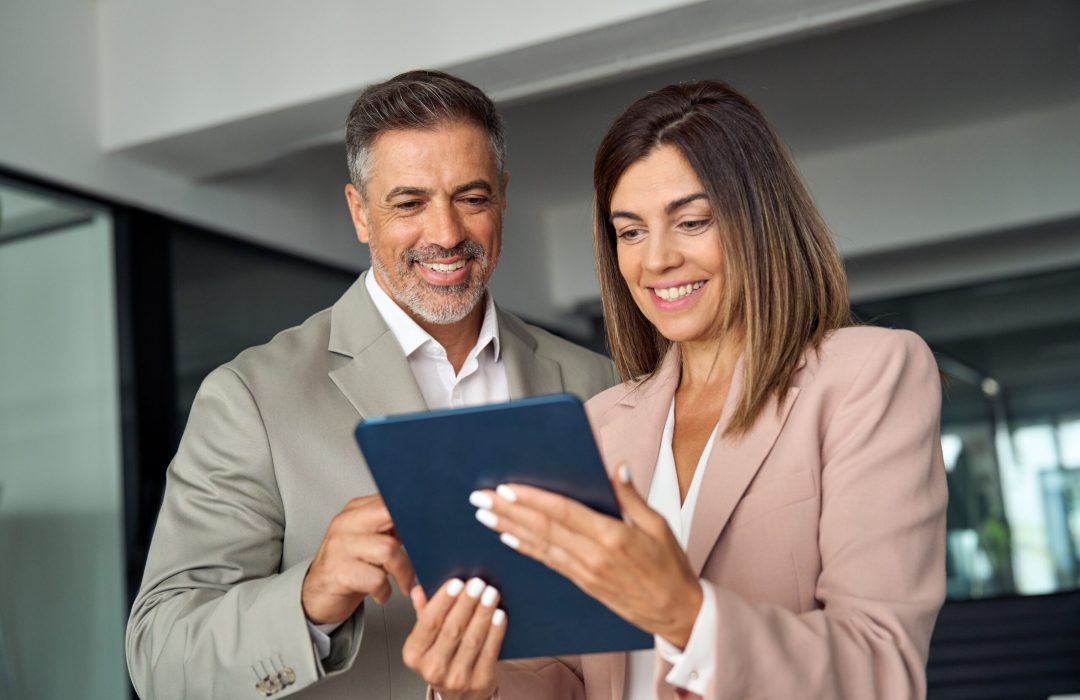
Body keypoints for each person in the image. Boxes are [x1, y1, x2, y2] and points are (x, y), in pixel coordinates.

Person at [408, 80, 948, 699]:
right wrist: (475, 688)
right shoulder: (602, 419)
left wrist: (685, 613)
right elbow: (575, 679)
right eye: (630, 232)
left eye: (691, 221)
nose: (656, 259)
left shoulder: (868, 375)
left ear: (760, 222)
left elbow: (881, 670)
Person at [124, 70, 618, 700]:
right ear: (360, 211)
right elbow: (159, 657)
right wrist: (309, 599)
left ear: (503, 198)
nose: (444, 234)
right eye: (409, 203)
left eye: (471, 197)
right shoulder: (250, 398)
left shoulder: (595, 382)